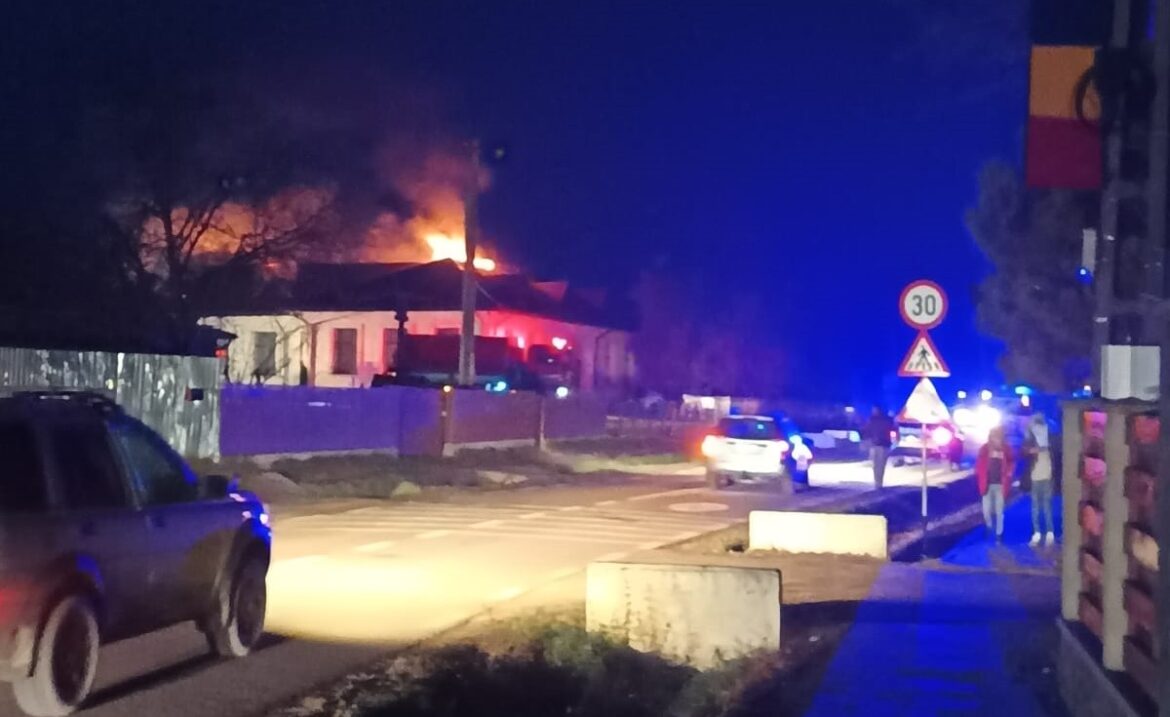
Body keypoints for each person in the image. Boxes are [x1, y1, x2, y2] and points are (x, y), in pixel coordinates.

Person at [976, 426, 1014, 542]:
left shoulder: (1006, 449)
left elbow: (1011, 461)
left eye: (998, 437)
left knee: (999, 511)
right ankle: (989, 526)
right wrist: (980, 475)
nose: (996, 439)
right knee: (986, 511)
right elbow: (979, 464)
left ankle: (999, 533)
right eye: (994, 437)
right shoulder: (985, 449)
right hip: (986, 485)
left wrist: (1009, 473)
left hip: (1000, 485)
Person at [1023, 414, 1056, 546]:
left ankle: (1047, 533)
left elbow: (1056, 454)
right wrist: (1030, 451)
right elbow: (1023, 452)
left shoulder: (1049, 439)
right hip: (1037, 476)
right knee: (1038, 507)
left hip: (1045, 476)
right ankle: (1039, 533)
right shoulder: (1031, 441)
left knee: (1044, 507)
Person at [863, 407, 894, 489]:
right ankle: (878, 482)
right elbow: (893, 428)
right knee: (879, 465)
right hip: (881, 445)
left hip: (878, 445)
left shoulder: (872, 420)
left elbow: (867, 432)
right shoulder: (886, 420)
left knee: (877, 465)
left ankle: (878, 482)